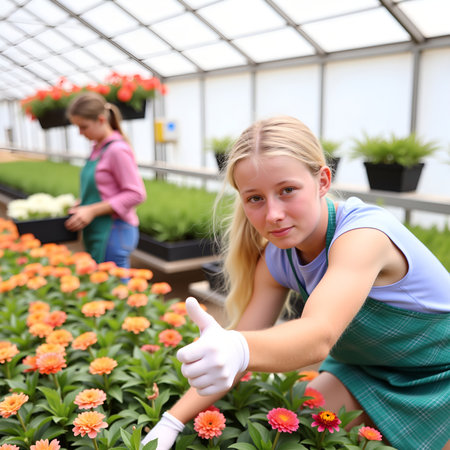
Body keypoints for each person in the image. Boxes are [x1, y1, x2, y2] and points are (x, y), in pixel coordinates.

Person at [142, 116, 450, 450]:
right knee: (299, 423)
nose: (272, 213)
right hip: (365, 371)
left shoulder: (364, 235)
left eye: (287, 190)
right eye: (255, 198)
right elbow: (238, 347)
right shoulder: (278, 259)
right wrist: (171, 419)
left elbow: (319, 335)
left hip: (441, 375)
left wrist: (240, 348)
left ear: (322, 181)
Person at [65, 92, 146, 268]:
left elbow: (136, 194)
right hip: (100, 229)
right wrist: (83, 204)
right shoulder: (97, 148)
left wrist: (92, 210)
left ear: (101, 120)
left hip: (115, 230)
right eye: (77, 127)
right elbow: (103, 190)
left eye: (84, 127)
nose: (80, 133)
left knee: (115, 291)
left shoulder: (117, 150)